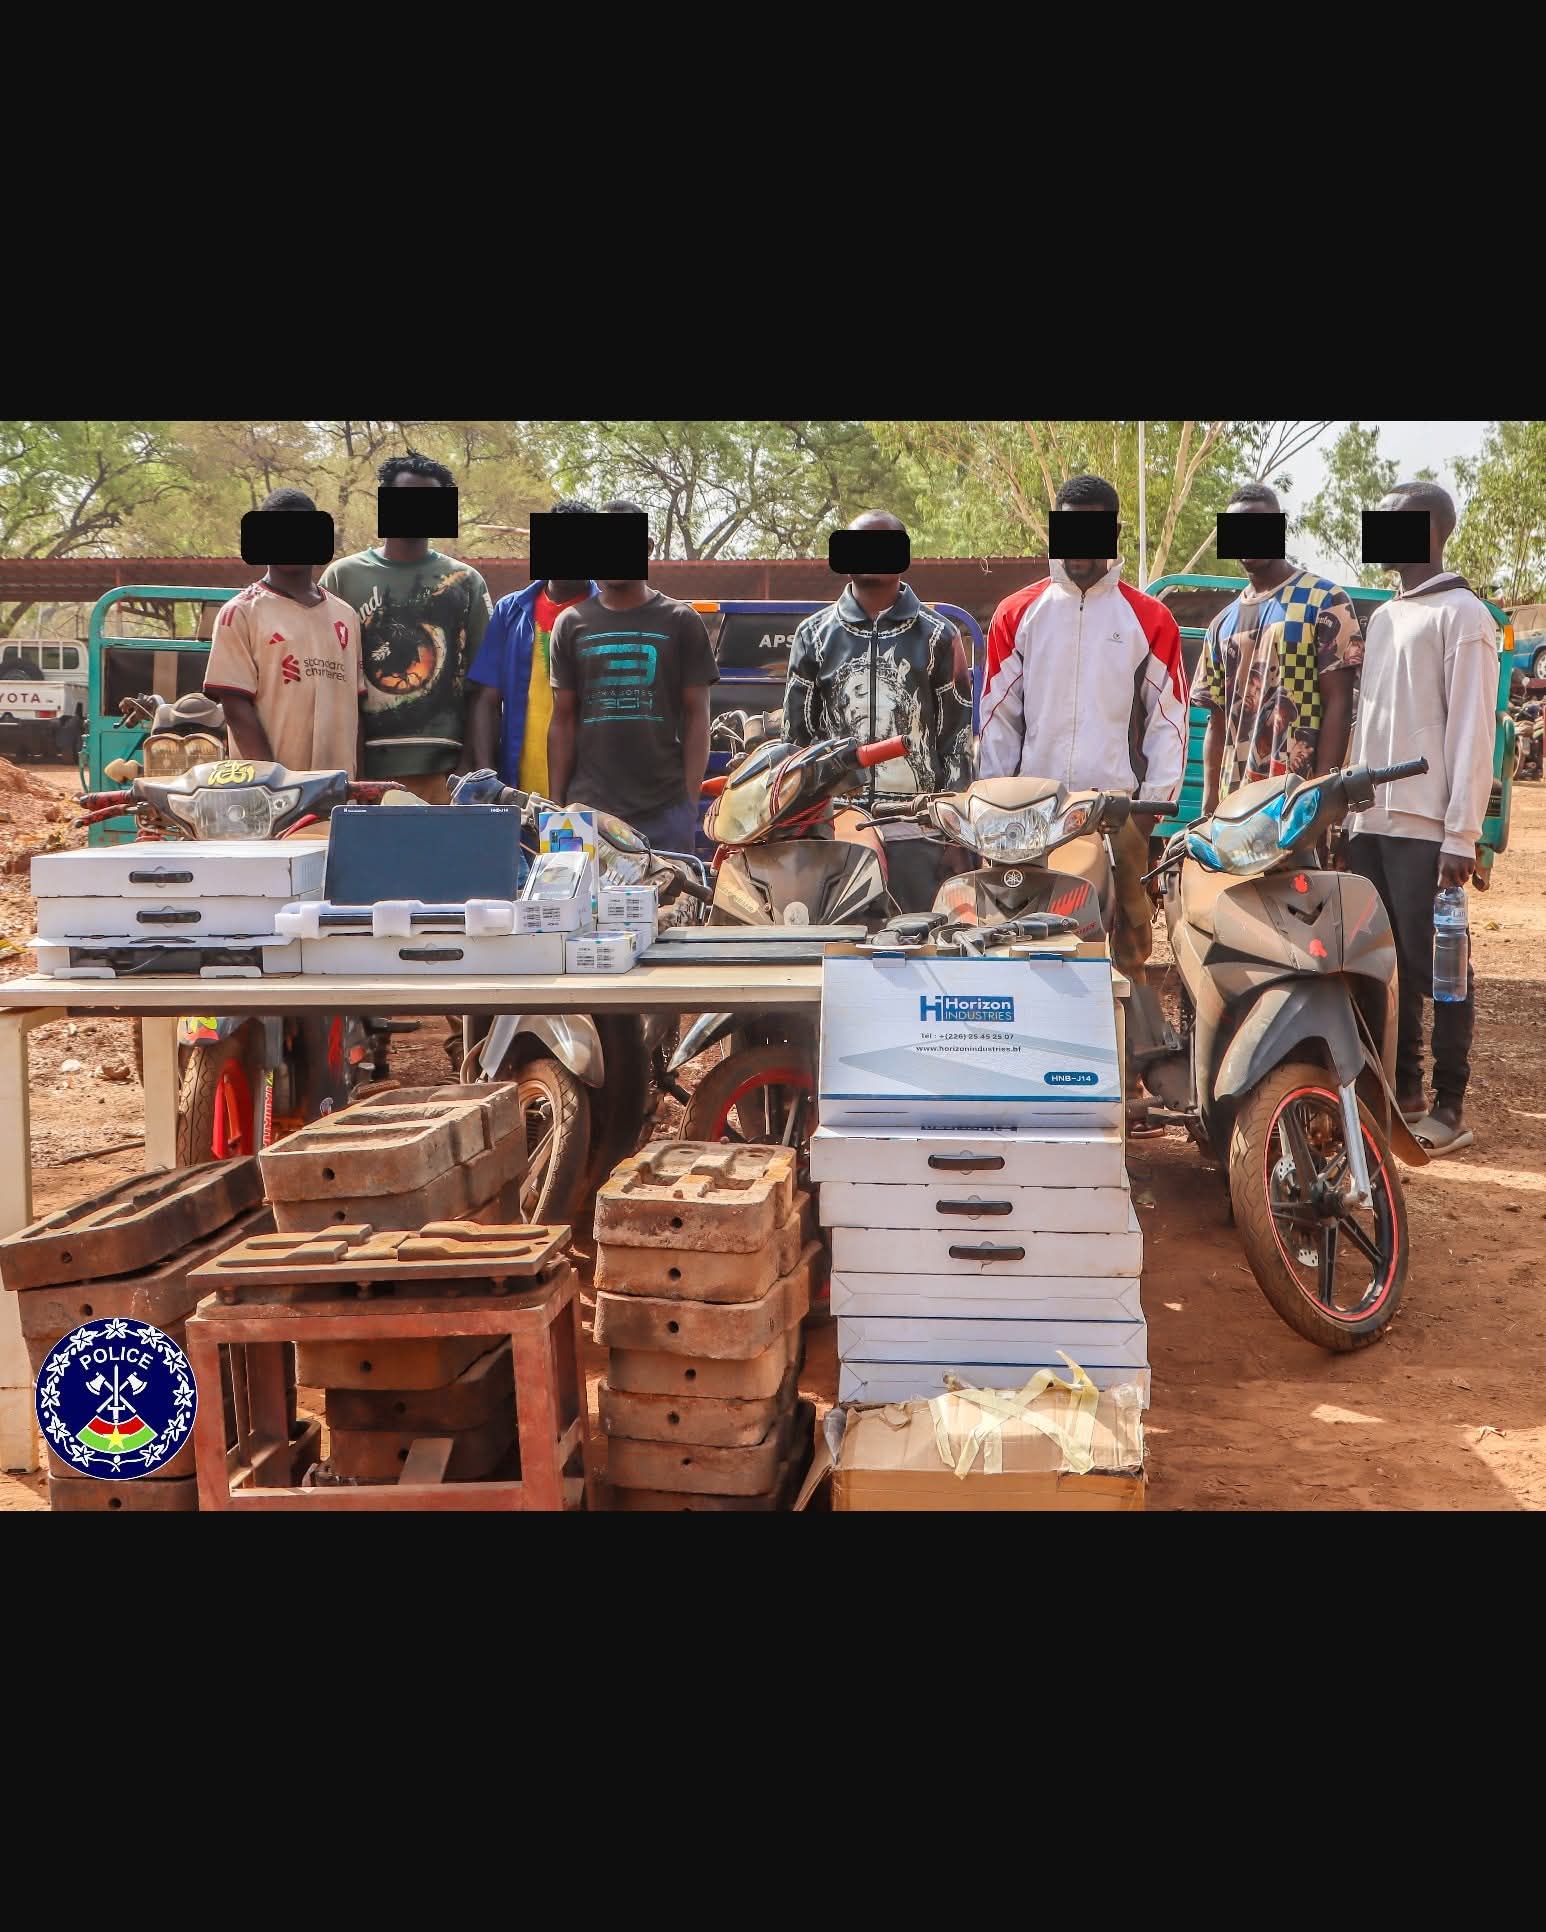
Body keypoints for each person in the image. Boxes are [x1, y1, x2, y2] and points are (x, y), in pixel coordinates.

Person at [978, 474, 1189, 989]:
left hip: (1117, 814)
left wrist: (1150, 813)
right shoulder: (1017, 614)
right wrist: (990, 806)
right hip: (1029, 814)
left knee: (1130, 955)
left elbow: (1169, 722)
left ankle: (1130, 1061)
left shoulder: (1150, 618)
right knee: (1022, 946)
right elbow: (997, 720)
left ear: (1114, 532)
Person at [1343, 481, 1500, 1154]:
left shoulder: (1465, 616)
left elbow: (1472, 730)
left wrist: (1461, 833)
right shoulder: (1383, 617)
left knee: (1439, 966)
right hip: (1369, 824)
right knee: (1380, 965)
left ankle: (1450, 1103)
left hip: (1427, 827)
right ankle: (1399, 1091)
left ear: (1433, 530)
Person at [782, 510, 974, 909]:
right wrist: (796, 826)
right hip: (834, 829)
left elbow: (955, 742)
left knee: (919, 949)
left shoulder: (938, 635)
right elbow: (795, 742)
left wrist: (956, 835)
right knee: (838, 956)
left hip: (918, 831)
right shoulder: (814, 635)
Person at [320, 450, 492, 803]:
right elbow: (329, 680)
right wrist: (352, 772)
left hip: (444, 773)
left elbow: (483, 687)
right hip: (364, 771)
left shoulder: (464, 582)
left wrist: (467, 767)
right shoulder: (342, 577)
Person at [547, 500, 717, 850]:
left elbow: (697, 716)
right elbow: (562, 720)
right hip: (587, 810)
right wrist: (558, 807)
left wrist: (687, 802)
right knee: (585, 906)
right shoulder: (570, 624)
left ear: (648, 548)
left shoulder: (680, 621)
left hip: (664, 810)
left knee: (668, 906)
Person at [1199, 483, 1364, 815]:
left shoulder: (1325, 601)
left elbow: (1339, 704)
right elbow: (1217, 721)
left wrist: (1320, 796)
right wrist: (1209, 805)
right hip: (1236, 809)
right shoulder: (1221, 624)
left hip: (1296, 803)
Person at [204, 487, 364, 774]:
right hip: (271, 797)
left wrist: (359, 784)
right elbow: (236, 708)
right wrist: (274, 783)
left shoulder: (346, 616)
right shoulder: (240, 613)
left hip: (338, 790)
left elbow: (356, 709)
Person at [465, 500, 596, 793]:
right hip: (519, 787)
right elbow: (487, 701)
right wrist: (488, 778)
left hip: (588, 793)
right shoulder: (511, 611)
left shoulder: (606, 614)